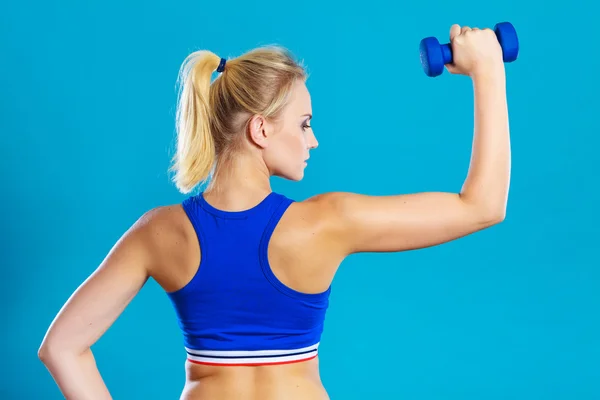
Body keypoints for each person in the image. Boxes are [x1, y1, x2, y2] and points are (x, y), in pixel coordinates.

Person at [38, 24, 512, 400]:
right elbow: (483, 206)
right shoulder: (326, 222)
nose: (313, 140)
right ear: (261, 129)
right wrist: (488, 69)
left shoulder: (159, 232)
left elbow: (61, 349)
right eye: (304, 124)